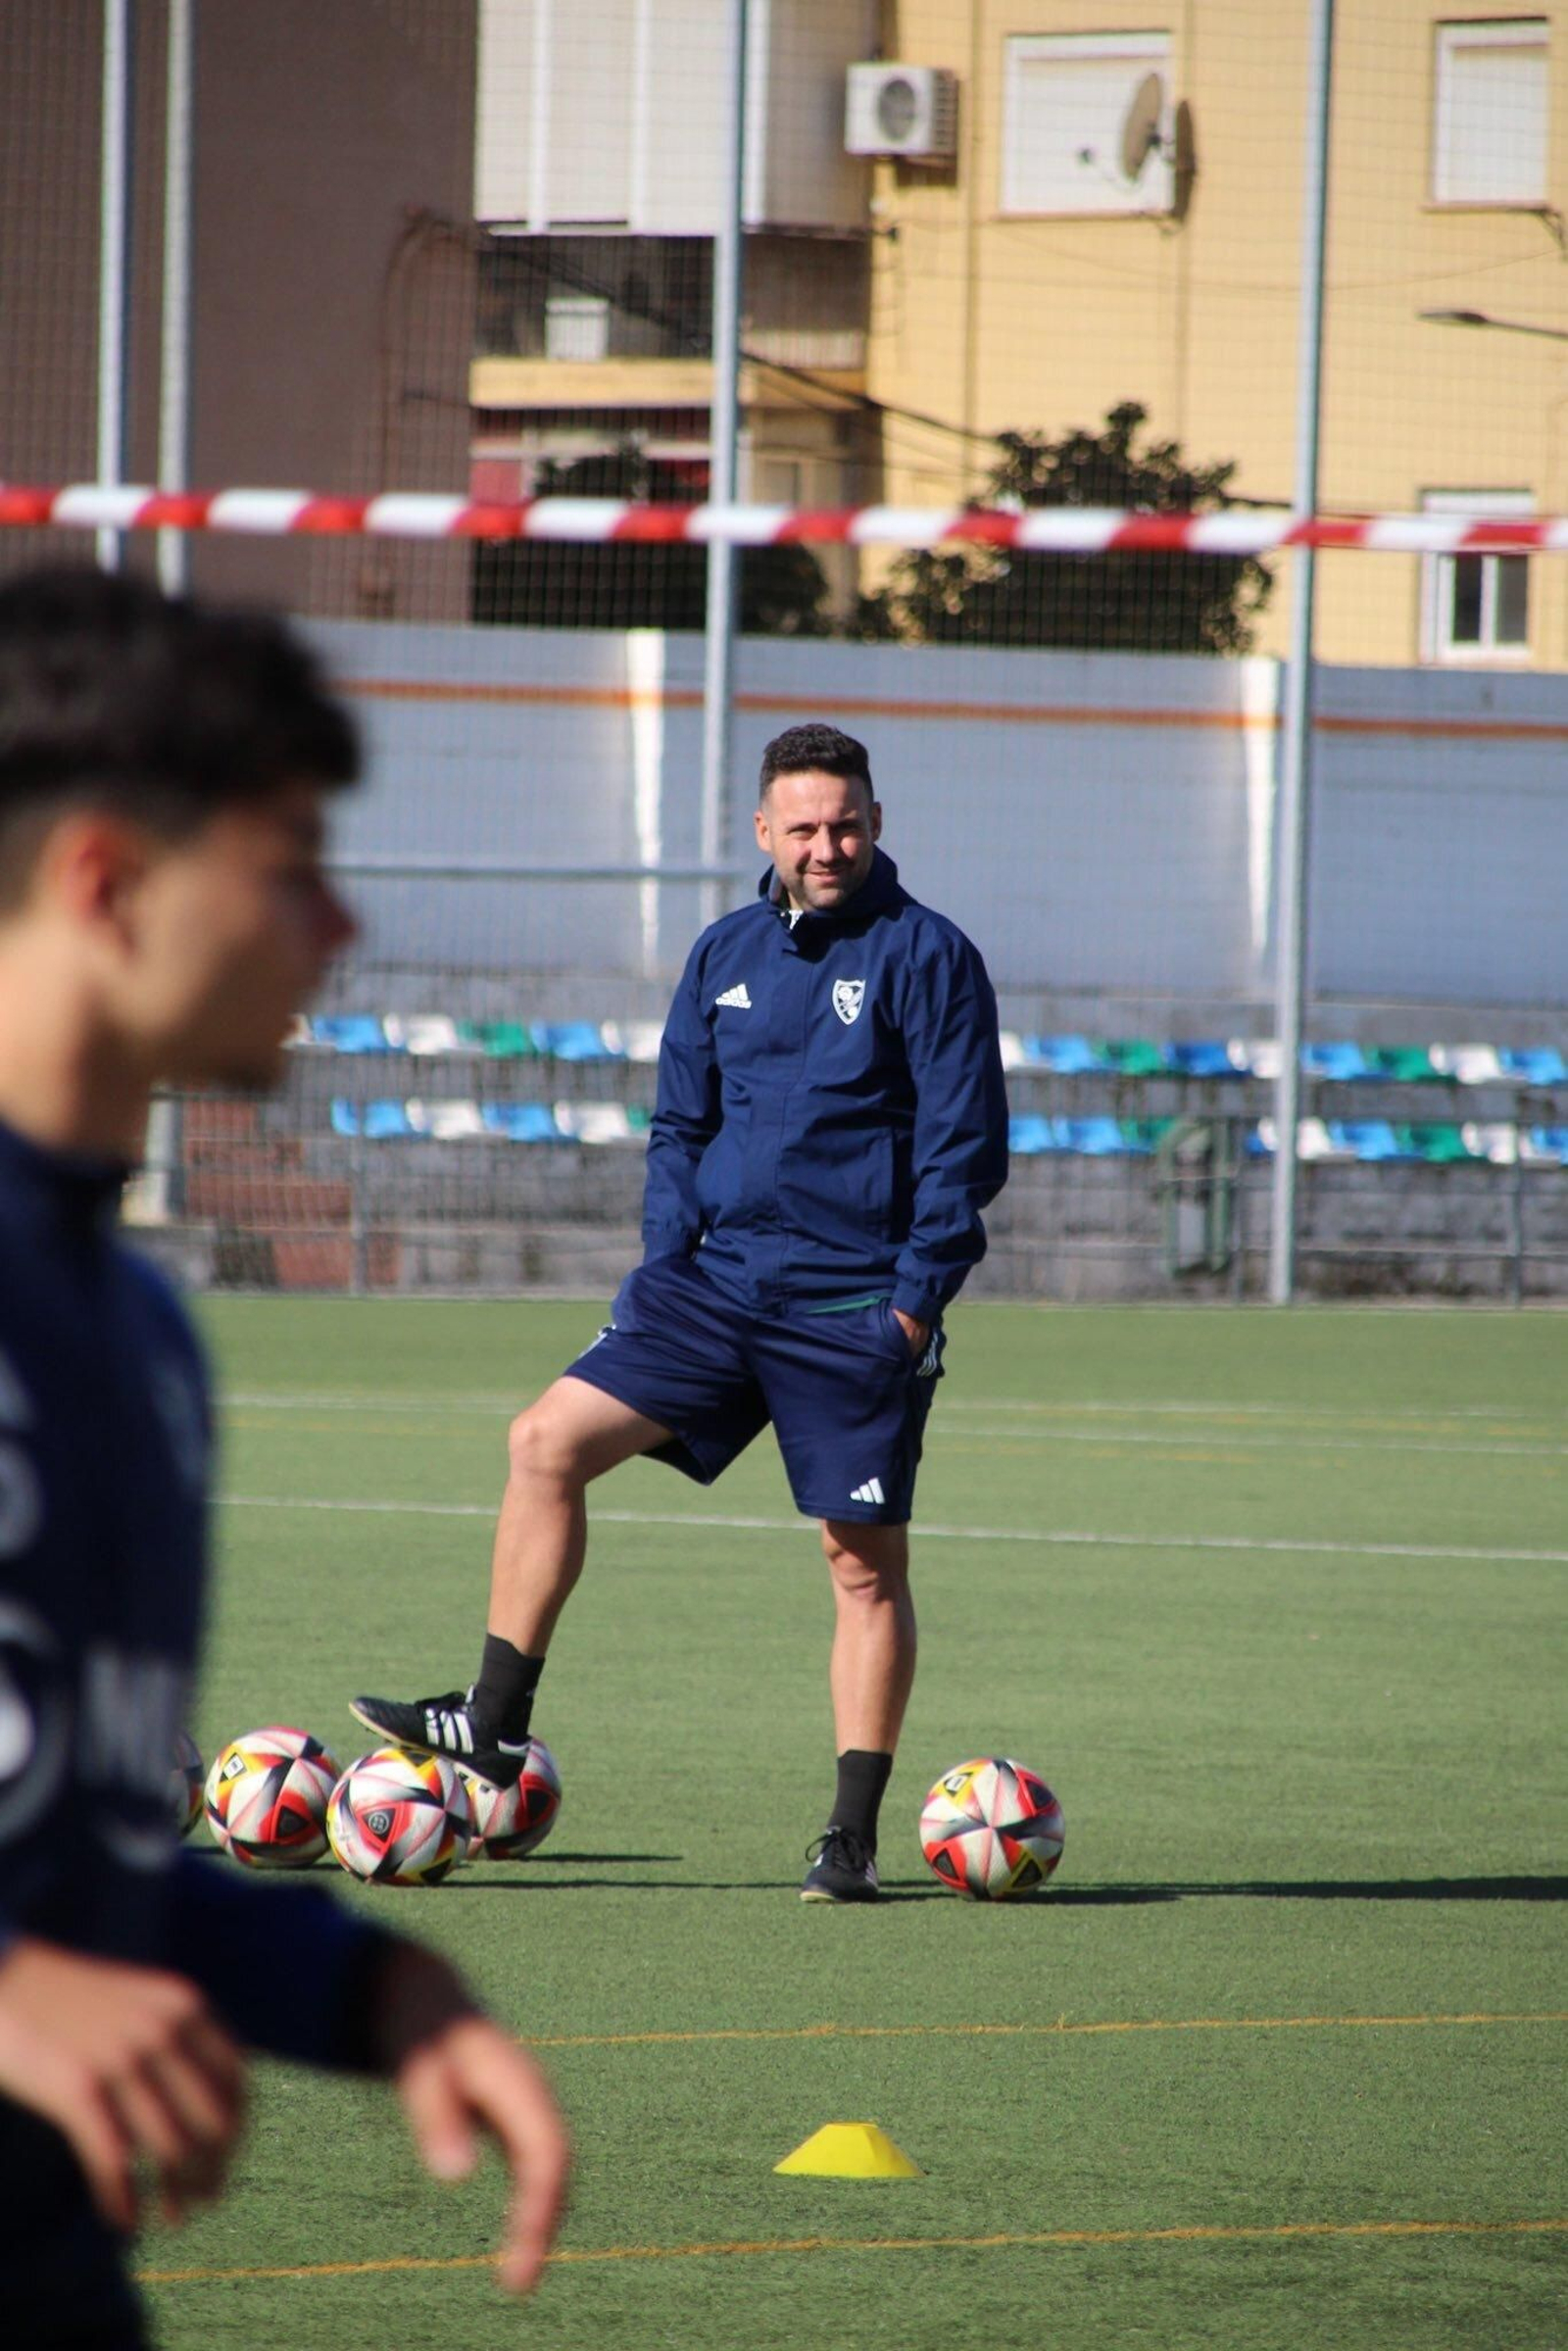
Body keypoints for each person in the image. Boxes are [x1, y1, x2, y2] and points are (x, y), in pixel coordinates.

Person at [0, 567, 568, 2348]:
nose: (336, 922)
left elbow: (79, 1856)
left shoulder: (145, 1335)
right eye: (291, 862)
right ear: (107, 878)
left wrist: (376, 1984)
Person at [354, 722, 1008, 1903]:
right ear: (762, 831)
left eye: (846, 822)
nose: (827, 845)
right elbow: (678, 1126)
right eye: (803, 826)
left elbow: (966, 1152)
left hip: (851, 1305)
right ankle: (493, 1720)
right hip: (710, 1290)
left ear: (877, 821)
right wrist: (663, 1264)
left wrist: (911, 1310)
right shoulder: (723, 952)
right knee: (542, 1440)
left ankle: (848, 1841)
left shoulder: (931, 956)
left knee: (858, 1566)